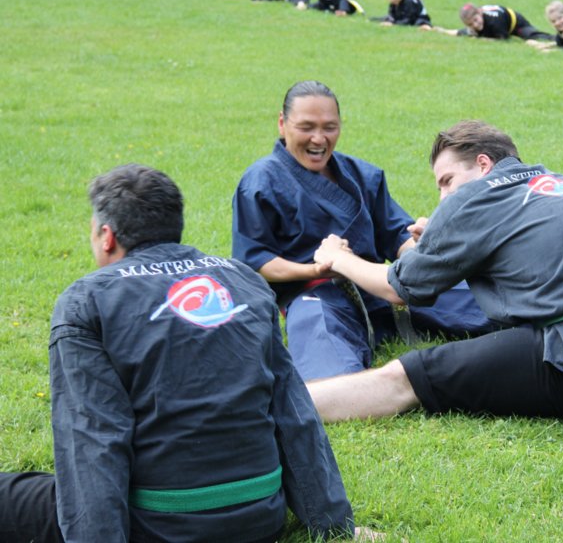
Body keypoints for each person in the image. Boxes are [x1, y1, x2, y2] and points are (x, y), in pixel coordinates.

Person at [0, 164, 361, 542]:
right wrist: (334, 524)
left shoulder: (86, 302)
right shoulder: (244, 281)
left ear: (106, 236)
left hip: (159, 525)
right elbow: (294, 415)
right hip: (258, 519)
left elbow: (92, 439)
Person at [307, 120, 563, 422]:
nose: (443, 197)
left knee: (408, 376)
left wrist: (338, 257)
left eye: (447, 181)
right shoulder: (556, 183)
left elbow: (397, 288)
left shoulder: (475, 198)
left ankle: (281, 405)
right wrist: (445, 240)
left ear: (484, 164)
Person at [231, 81, 494, 382]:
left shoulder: (363, 175)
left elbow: (396, 234)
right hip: (317, 294)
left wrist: (421, 247)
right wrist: (315, 269)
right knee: (323, 349)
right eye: (306, 127)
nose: (319, 138)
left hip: (376, 284)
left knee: (469, 292)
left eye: (329, 127)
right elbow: (257, 259)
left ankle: (531, 318)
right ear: (283, 124)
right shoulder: (260, 182)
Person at [434, 3, 554, 45]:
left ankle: (557, 40)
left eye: (476, 20)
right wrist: (440, 30)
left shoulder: (494, 20)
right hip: (498, 24)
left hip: (515, 23)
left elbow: (504, 39)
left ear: (480, 12)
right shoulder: (474, 26)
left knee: (531, 35)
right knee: (475, 34)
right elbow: (460, 32)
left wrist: (486, 40)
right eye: (471, 24)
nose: (475, 25)